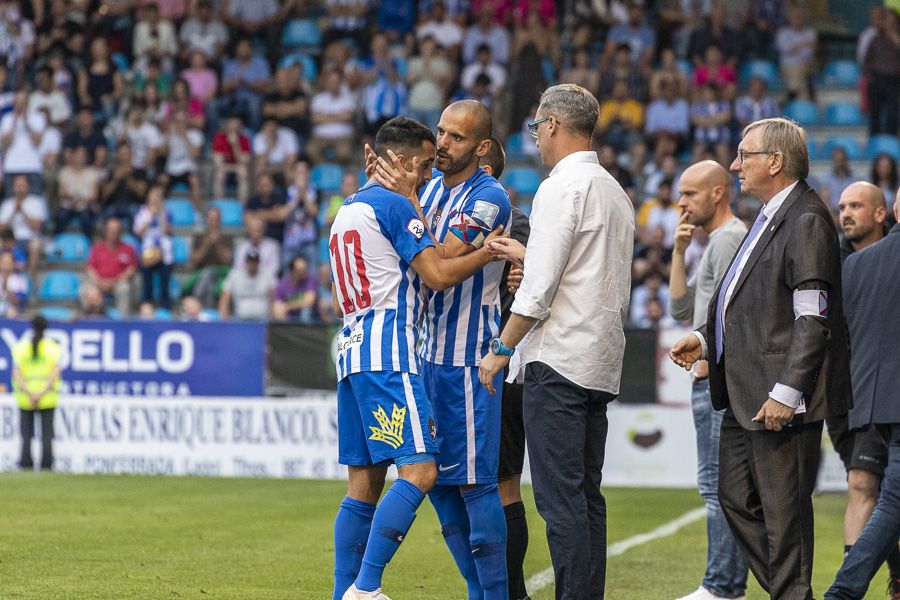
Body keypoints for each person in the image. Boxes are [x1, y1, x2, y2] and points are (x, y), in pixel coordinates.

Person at [669, 118, 852, 599]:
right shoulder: (771, 215)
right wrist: (705, 339)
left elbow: (812, 318)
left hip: (777, 396)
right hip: (743, 392)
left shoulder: (806, 219)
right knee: (733, 498)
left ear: (775, 161)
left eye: (743, 155)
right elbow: (746, 304)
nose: (735, 166)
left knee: (784, 515)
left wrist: (787, 393)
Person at [331, 115, 505, 600]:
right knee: (423, 472)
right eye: (425, 164)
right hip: (391, 352)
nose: (429, 173)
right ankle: (367, 588)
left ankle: (344, 592)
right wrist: (489, 253)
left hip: (351, 350)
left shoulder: (349, 207)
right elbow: (438, 275)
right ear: (402, 161)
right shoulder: (396, 203)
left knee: (363, 485)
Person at [480, 84, 635, 599]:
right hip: (599, 360)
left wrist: (501, 350)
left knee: (560, 502)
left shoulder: (558, 187)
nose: (535, 138)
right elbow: (587, 274)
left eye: (535, 128)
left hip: (558, 361)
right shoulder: (615, 191)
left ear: (551, 124)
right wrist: (526, 254)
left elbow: (538, 289)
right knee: (587, 498)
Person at [375, 100, 512, 599]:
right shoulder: (430, 189)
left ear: (481, 147)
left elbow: (445, 256)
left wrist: (405, 203)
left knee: (476, 484)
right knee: (437, 485)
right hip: (427, 356)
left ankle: (494, 594)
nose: (444, 143)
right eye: (442, 132)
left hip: (470, 359)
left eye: (457, 137)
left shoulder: (488, 197)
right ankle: (477, 590)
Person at [668, 161, 749, 600]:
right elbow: (681, 310)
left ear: (718, 193)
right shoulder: (716, 241)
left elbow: (735, 315)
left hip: (719, 382)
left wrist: (708, 363)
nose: (681, 202)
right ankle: (726, 585)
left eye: (690, 193)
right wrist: (678, 251)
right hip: (710, 380)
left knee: (720, 487)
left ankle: (722, 586)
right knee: (717, 487)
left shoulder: (729, 239)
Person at [825, 189, 900, 600]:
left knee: (869, 488)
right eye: (842, 207)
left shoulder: (860, 264)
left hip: (874, 392)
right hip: (855, 394)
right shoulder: (838, 263)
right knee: (879, 493)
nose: (846, 214)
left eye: (855, 206)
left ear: (885, 212)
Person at [481, 137, 532, 600]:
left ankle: (512, 592)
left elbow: (536, 284)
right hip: (456, 365)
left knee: (501, 484)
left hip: (498, 364)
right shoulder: (445, 214)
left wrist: (522, 271)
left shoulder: (513, 222)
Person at [12, 315, 62, 471]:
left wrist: (29, 392)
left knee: (26, 435)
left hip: (25, 398)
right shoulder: (52, 347)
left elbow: (17, 373)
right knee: (47, 435)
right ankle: (47, 464)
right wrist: (41, 392)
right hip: (47, 397)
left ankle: (25, 464)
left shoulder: (21, 347)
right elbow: (55, 373)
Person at [85, 218, 139, 317]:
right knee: (86, 289)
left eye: (116, 230)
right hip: (99, 282)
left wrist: (115, 282)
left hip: (119, 282)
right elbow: (90, 268)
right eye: (111, 230)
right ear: (106, 231)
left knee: (124, 288)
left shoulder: (128, 249)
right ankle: (90, 318)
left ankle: (123, 319)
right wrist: (99, 281)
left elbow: (131, 269)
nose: (114, 232)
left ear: (121, 232)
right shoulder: (97, 248)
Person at [134, 184, 175, 310]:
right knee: (147, 281)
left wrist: (161, 215)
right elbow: (138, 232)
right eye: (153, 195)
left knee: (165, 283)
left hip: (165, 252)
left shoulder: (166, 212)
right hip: (148, 251)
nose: (156, 198)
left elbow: (168, 231)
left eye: (158, 196)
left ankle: (165, 308)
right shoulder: (142, 212)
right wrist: (151, 216)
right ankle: (147, 306)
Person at [218, 249, 275, 320]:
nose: (252, 264)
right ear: (246, 262)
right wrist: (223, 319)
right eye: (250, 261)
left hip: (262, 319)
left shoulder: (267, 276)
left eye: (255, 261)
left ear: (259, 262)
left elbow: (272, 298)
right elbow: (225, 297)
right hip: (240, 318)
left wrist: (272, 319)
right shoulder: (235, 275)